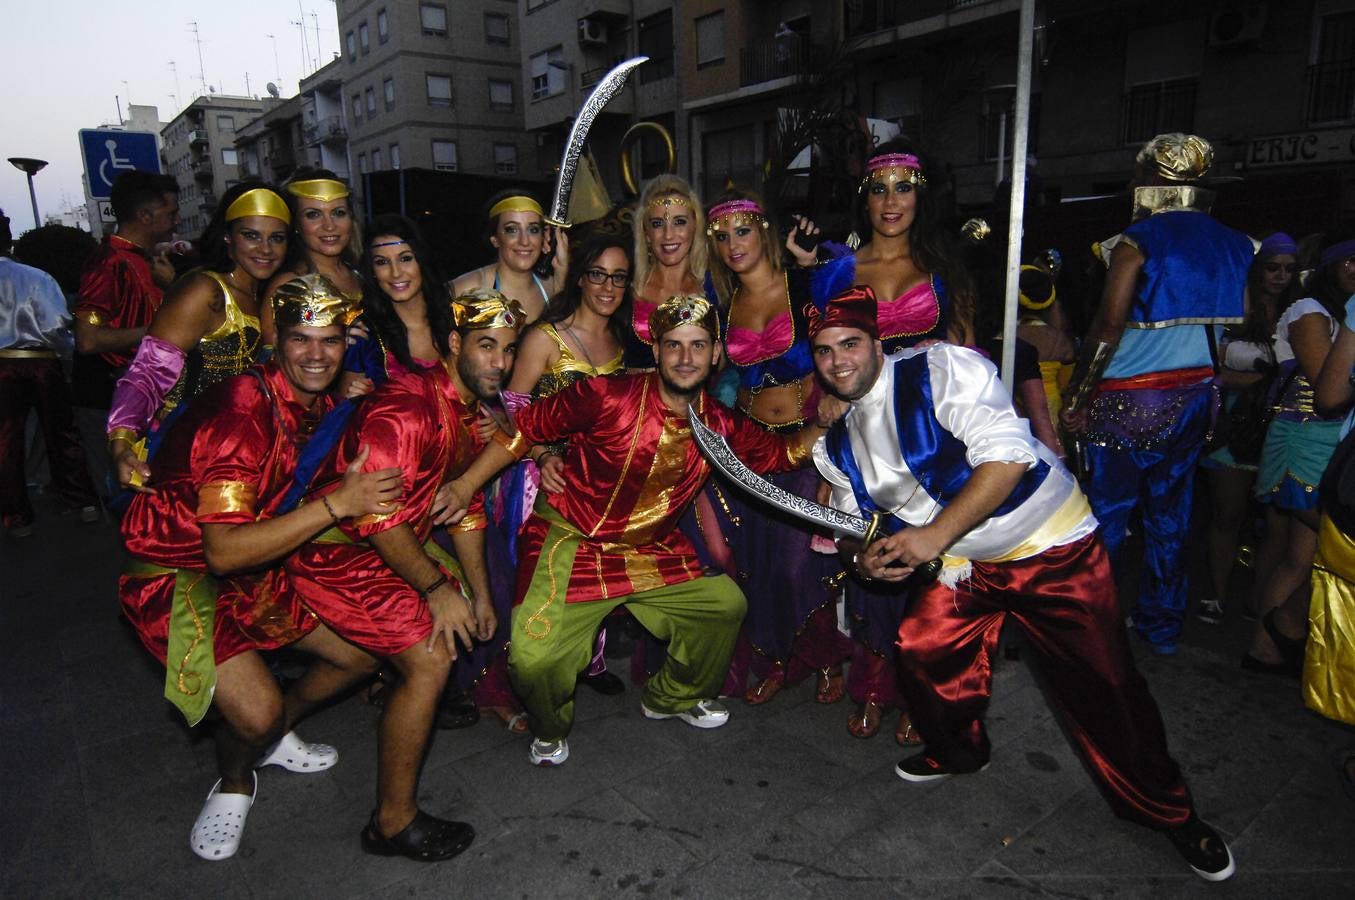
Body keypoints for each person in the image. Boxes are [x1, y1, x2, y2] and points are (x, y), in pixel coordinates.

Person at [806, 285, 1235, 882]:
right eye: (824, 351)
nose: (838, 361)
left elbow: (1008, 457)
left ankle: (1171, 812)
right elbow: (857, 523)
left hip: (1050, 547)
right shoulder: (837, 443)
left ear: (876, 341)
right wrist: (862, 559)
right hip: (965, 565)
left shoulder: (938, 369)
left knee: (1105, 684)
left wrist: (931, 538)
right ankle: (960, 751)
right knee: (922, 650)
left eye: (849, 343)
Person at [440, 294, 831, 768]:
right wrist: (474, 481)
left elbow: (779, 454)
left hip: (653, 549)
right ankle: (548, 726)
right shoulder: (606, 396)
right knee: (534, 657)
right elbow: (526, 425)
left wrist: (836, 415)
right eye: (673, 346)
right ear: (658, 351)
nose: (685, 358)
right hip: (572, 539)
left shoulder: (719, 424)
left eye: (697, 345)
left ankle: (672, 697)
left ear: (715, 355)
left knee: (724, 606)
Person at [117, 274, 398, 860]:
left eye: (330, 340)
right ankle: (237, 777)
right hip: (178, 576)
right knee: (260, 708)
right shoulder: (242, 417)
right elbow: (222, 552)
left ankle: (263, 733)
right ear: (275, 340)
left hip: (252, 562)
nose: (316, 355)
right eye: (301, 340)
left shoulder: (304, 394)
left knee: (362, 652)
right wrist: (338, 504)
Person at [285, 289, 525, 862]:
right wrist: (439, 589)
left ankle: (268, 722)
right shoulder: (407, 409)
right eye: (486, 346)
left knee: (363, 660)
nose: (500, 362)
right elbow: (375, 513)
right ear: (453, 344)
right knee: (428, 658)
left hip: (385, 547)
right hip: (335, 550)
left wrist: (478, 592)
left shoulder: (469, 413)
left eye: (510, 350)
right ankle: (391, 822)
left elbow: (461, 508)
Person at [1062, 133, 1253, 655]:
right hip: (1194, 395)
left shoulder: (1136, 241)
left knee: (1109, 516)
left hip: (1128, 398)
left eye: (1136, 173)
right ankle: (1161, 626)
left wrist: (1078, 395)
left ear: (1153, 180)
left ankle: (1094, 626)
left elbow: (1106, 327)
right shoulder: (1236, 243)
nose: (1129, 184)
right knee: (1172, 515)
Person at [812, 144, 974, 742]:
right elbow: (824, 351)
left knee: (931, 568)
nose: (890, 201)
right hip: (862, 433)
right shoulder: (839, 269)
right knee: (873, 563)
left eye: (903, 187)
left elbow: (965, 353)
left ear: (921, 195)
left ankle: (921, 690)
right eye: (879, 188)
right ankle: (872, 685)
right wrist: (825, 400)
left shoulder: (943, 267)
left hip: (931, 436)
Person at [702, 190, 851, 713]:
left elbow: (855, 307)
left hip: (809, 442)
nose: (731, 245)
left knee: (797, 564)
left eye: (741, 231)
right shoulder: (723, 306)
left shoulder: (803, 285)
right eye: (720, 236)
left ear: (764, 231)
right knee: (757, 562)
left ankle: (827, 658)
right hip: (750, 448)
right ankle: (775, 660)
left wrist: (815, 256)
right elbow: (715, 374)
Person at [503, 231, 634, 698]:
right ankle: (541, 665)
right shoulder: (544, 337)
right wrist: (540, 453)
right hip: (546, 476)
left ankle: (591, 661)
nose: (607, 286)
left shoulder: (621, 339)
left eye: (618, 277)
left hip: (599, 477)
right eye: (598, 274)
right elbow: (515, 404)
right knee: (546, 577)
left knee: (592, 570)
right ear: (580, 278)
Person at [107, 182, 291, 491]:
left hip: (243, 450)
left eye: (277, 238)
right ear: (227, 237)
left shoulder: (272, 293)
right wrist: (122, 442)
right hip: (186, 449)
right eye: (251, 235)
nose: (266, 249)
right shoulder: (205, 291)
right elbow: (147, 372)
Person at [1241, 229, 1355, 673]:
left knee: (1300, 556)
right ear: (1327, 266)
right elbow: (1327, 384)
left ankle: (1264, 648)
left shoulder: (1339, 313)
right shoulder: (1309, 310)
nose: (1353, 270)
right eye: (1347, 261)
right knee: (1331, 543)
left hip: (1331, 443)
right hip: (1305, 441)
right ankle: (1286, 632)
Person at [1196, 232, 1296, 624]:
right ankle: (1216, 595)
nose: (1280, 276)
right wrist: (1263, 382)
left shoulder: (1302, 311)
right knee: (1227, 514)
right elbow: (1209, 370)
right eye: (1273, 267)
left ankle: (1262, 601)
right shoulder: (1234, 306)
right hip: (1234, 427)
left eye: (1288, 269)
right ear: (1258, 269)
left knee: (1277, 521)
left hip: (1283, 428)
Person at [0, 208, 99, 537]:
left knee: (7, 441)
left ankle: (17, 517)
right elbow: (57, 325)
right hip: (42, 362)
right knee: (62, 433)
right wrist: (66, 357)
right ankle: (83, 501)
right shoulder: (35, 277)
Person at [259, 171, 364, 349]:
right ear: (296, 225)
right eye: (313, 214)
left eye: (339, 213)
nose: (329, 226)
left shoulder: (364, 276)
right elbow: (272, 360)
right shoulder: (288, 285)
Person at [627, 175, 709, 367]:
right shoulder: (625, 290)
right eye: (657, 224)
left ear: (695, 226)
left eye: (679, 222)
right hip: (634, 396)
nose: (668, 235)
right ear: (646, 233)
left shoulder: (714, 291)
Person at [450, 191, 566, 324]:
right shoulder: (463, 290)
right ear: (495, 239)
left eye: (533, 230)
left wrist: (562, 273)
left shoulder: (554, 289)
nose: (524, 241)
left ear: (544, 236)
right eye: (512, 230)